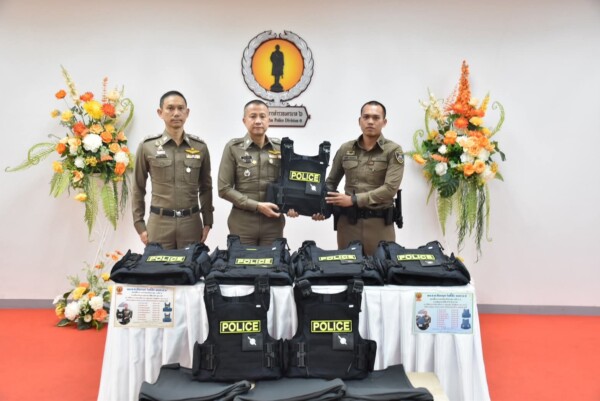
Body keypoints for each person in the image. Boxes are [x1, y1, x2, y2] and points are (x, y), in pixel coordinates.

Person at [316, 100, 404, 255]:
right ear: (359, 121)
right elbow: (330, 183)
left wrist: (354, 200)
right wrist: (320, 207)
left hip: (379, 224)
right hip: (348, 224)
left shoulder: (393, 150)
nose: (370, 121)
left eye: (376, 118)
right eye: (366, 117)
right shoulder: (346, 149)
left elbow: (390, 189)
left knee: (382, 267)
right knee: (348, 267)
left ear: (384, 122)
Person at [132, 91, 213, 250]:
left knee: (191, 265)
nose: (176, 113)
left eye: (180, 108)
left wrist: (208, 221)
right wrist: (139, 225)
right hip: (159, 224)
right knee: (159, 266)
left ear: (187, 113)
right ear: (160, 112)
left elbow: (206, 188)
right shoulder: (147, 146)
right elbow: (138, 188)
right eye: (170, 108)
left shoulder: (200, 147)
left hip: (191, 224)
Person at [218, 99, 297, 246]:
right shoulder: (233, 148)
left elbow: (291, 184)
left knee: (272, 261)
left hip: (273, 223)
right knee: (241, 261)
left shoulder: (281, 148)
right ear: (244, 121)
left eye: (262, 116)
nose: (258, 121)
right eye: (253, 116)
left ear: (269, 120)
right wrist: (257, 206)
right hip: (242, 222)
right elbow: (224, 189)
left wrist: (294, 206)